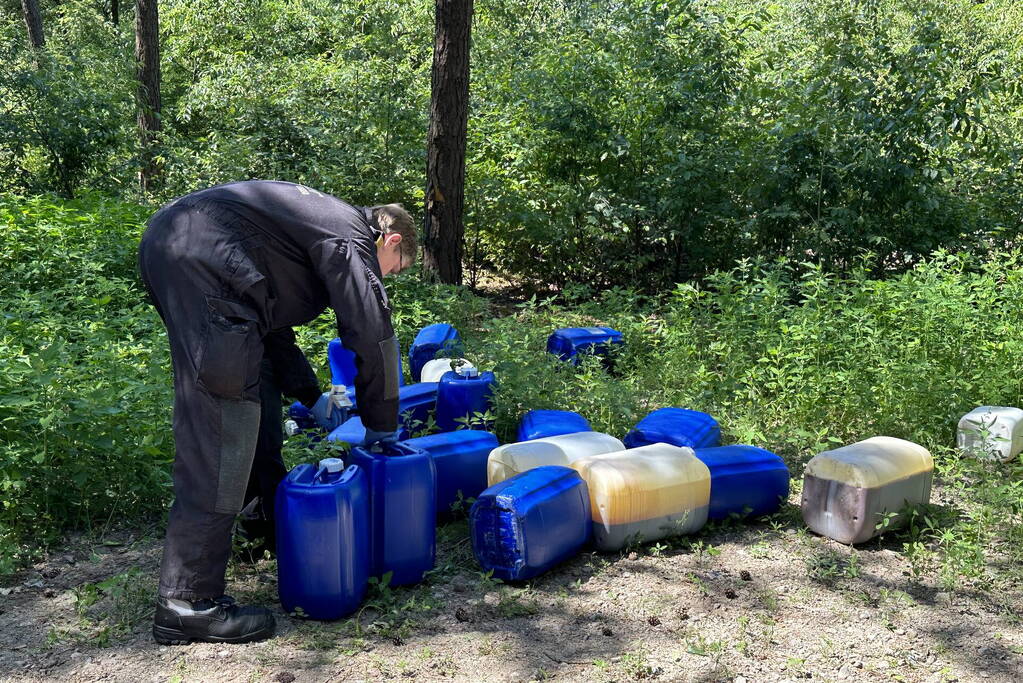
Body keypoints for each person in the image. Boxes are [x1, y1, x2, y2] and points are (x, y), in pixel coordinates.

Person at [137, 180, 416, 645]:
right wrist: (382, 424)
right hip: (202, 262)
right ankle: (187, 603)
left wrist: (311, 396)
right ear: (391, 241)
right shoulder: (349, 236)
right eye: (396, 269)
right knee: (222, 425)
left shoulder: (309, 224)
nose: (387, 276)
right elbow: (371, 332)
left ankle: (259, 523)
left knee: (248, 396)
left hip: (183, 246)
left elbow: (272, 333)